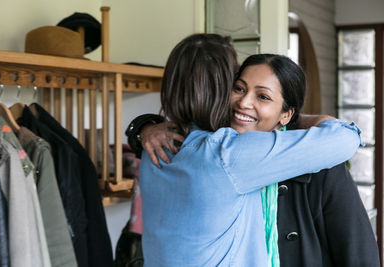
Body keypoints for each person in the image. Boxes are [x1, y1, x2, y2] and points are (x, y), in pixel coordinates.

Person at [136, 34, 362, 267]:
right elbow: (347, 137)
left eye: (263, 96)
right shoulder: (228, 154)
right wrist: (288, 119)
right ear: (223, 88)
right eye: (238, 87)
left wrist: (143, 127)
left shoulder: (152, 147)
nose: (244, 103)